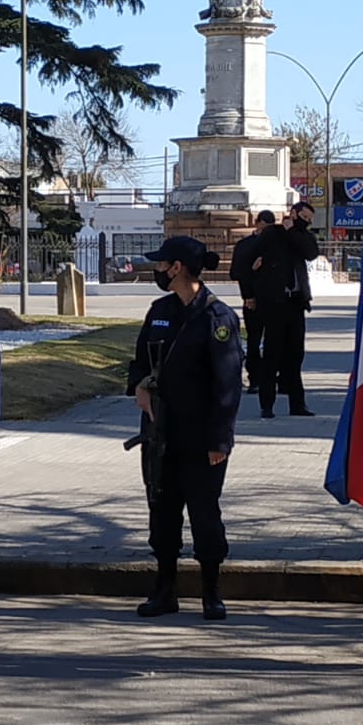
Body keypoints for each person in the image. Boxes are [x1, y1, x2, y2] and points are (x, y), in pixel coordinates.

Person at [128, 236, 243, 621]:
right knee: (162, 512)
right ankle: (165, 590)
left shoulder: (217, 318)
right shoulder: (159, 311)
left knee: (204, 514)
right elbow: (140, 362)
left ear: (177, 268)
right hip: (160, 433)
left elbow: (228, 385)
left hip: (201, 436)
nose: (158, 271)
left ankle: (211, 592)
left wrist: (220, 440)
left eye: (162, 264)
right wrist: (140, 385)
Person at [251, 200, 320, 418]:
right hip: (275, 303)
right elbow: (252, 254)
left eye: (309, 220)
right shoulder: (272, 233)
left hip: (296, 303)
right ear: (293, 213)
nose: (306, 222)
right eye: (303, 217)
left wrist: (294, 232)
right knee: (272, 355)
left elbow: (310, 253)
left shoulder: (303, 236)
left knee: (295, 355)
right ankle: (267, 404)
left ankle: (297, 404)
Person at [229, 210, 274, 395]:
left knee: (274, 341)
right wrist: (248, 296)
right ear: (257, 223)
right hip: (253, 300)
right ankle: (254, 377)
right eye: (265, 225)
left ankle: (270, 377)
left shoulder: (276, 244)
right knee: (254, 340)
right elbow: (236, 273)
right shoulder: (245, 245)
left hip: (274, 300)